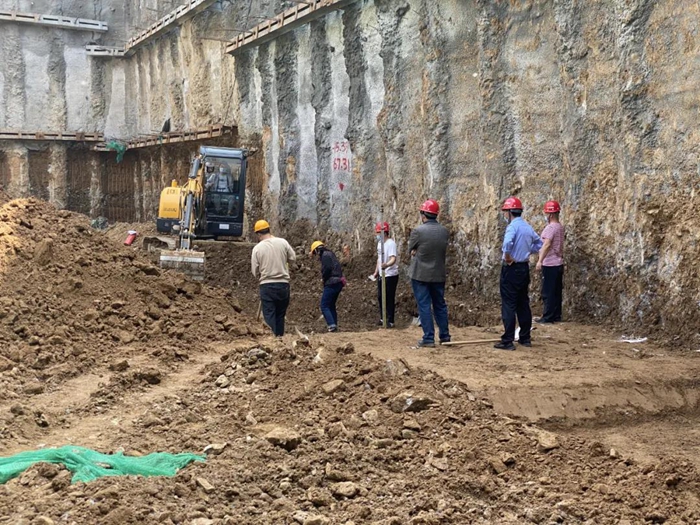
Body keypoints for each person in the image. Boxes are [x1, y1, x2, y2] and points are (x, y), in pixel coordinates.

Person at [495, 197, 543, 351]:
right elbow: (539, 243)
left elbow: (507, 244)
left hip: (512, 268)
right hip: (524, 267)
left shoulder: (512, 227)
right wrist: (527, 251)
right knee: (523, 303)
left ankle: (507, 340)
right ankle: (525, 337)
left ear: (510, 212)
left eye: (505, 211)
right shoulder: (527, 227)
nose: (504, 214)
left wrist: (508, 256)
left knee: (509, 304)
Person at [408, 199, 450, 348]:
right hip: (438, 274)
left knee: (424, 306)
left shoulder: (418, 231)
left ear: (423, 214)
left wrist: (416, 251)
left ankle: (428, 338)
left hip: (420, 274)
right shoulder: (444, 231)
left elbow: (411, 249)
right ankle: (445, 336)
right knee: (440, 305)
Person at [251, 220, 296, 337]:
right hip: (283, 285)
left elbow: (255, 271)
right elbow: (293, 258)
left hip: (267, 285)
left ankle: (272, 340)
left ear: (258, 234)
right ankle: (280, 338)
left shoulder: (257, 248)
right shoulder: (283, 242)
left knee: (269, 315)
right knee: (280, 315)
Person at [536, 200, 565, 323]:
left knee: (548, 291)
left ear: (551, 214)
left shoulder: (550, 228)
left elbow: (547, 244)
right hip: (558, 262)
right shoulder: (560, 227)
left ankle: (548, 317)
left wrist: (540, 260)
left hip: (550, 263)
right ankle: (556, 315)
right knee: (556, 291)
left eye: (546, 213)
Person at [310, 240, 345, 332]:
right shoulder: (330, 254)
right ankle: (334, 325)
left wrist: (324, 278)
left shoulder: (324, 256)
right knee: (331, 305)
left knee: (324, 305)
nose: (316, 255)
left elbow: (327, 269)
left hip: (331, 282)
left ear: (317, 250)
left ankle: (331, 325)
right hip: (339, 282)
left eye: (315, 253)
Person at [371, 221, 399, 328]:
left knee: (389, 297)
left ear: (384, 233)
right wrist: (376, 272)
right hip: (382, 274)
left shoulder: (391, 244)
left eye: (378, 233)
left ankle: (390, 320)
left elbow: (393, 258)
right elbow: (379, 259)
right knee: (380, 296)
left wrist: (386, 265)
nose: (377, 235)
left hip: (390, 275)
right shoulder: (379, 244)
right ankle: (383, 318)